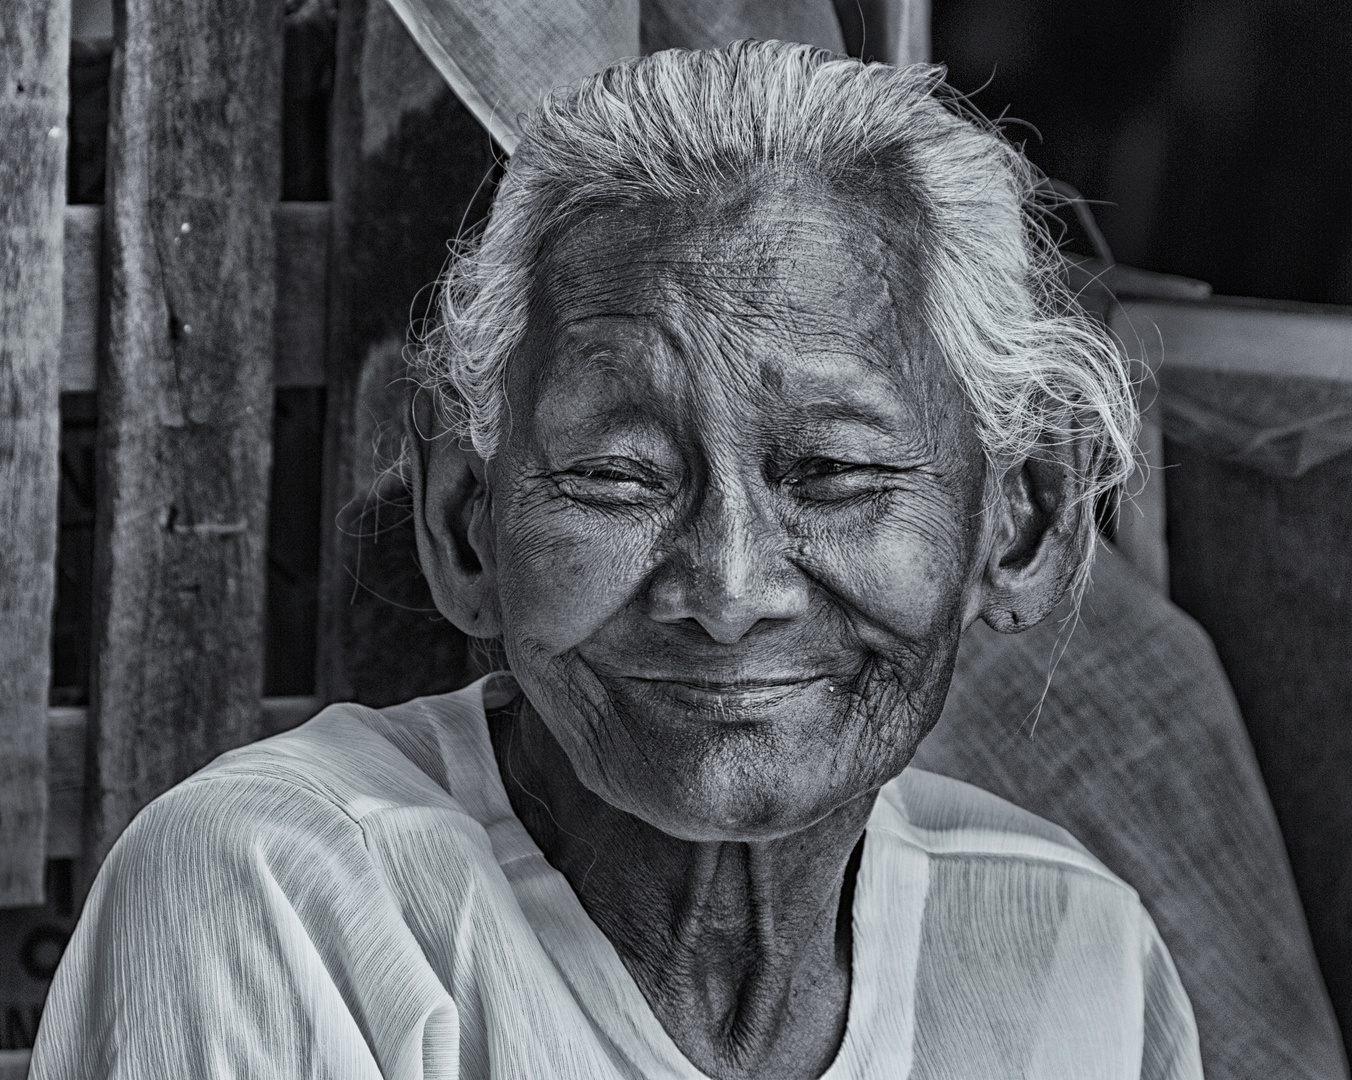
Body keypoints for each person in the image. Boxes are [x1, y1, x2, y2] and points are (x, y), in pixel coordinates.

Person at [32, 41, 1202, 1079]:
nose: (731, 590)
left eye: (836, 474)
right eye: (616, 477)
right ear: (462, 526)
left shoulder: (1066, 949)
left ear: (1023, 524)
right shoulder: (282, 899)